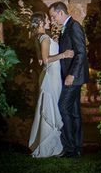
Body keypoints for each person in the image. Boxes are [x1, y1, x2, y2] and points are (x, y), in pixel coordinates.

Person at [28, 12, 74, 158]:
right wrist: (63, 54)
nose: (49, 21)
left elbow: (40, 61)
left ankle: (49, 143)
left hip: (49, 74)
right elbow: (46, 60)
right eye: (47, 19)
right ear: (41, 22)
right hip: (52, 76)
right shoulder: (44, 38)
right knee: (52, 107)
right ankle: (51, 146)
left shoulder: (39, 37)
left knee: (50, 106)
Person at [49, 1, 89, 158]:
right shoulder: (67, 28)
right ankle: (77, 148)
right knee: (74, 112)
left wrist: (71, 74)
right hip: (71, 76)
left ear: (60, 13)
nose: (53, 20)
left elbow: (81, 53)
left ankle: (70, 147)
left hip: (73, 77)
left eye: (53, 16)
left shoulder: (74, 26)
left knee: (62, 107)